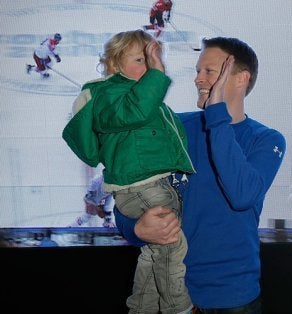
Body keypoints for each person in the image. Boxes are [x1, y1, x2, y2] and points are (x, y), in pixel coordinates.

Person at [115, 36, 286, 313]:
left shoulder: (265, 140)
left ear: (241, 79)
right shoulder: (175, 129)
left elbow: (241, 195)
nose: (198, 79)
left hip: (233, 298)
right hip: (169, 293)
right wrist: (134, 228)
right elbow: (128, 194)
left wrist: (216, 116)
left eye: (209, 71)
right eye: (197, 71)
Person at [62, 29, 195, 314]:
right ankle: (179, 308)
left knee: (155, 250)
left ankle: (142, 308)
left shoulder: (143, 100)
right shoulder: (109, 94)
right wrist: (157, 73)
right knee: (172, 244)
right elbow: (133, 112)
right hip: (142, 185)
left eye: (152, 59)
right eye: (140, 60)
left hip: (155, 183)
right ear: (114, 65)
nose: (148, 67)